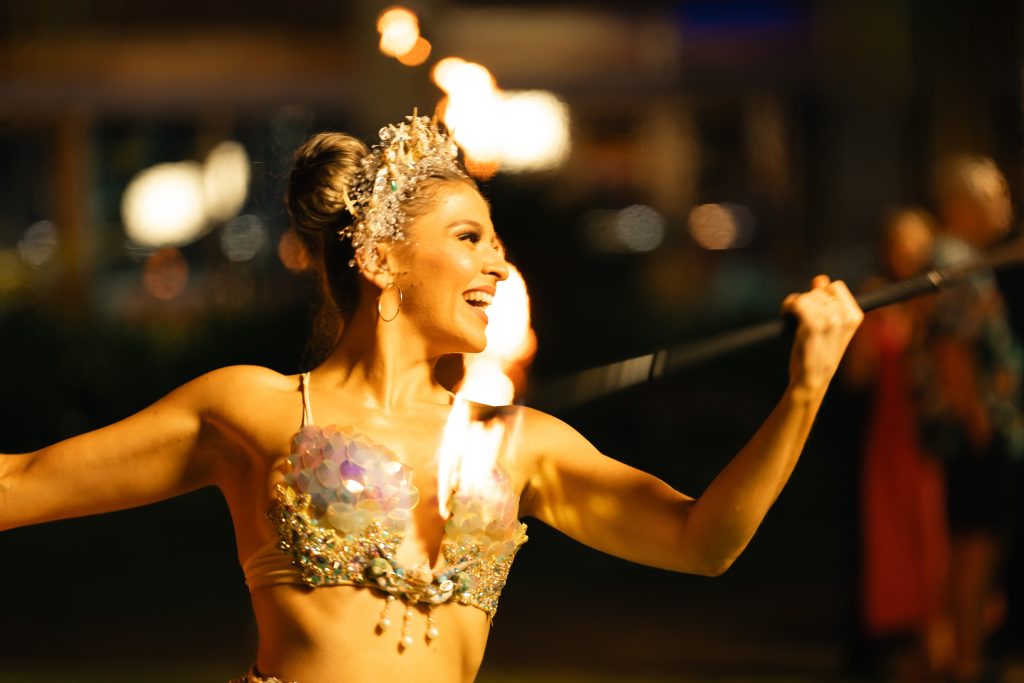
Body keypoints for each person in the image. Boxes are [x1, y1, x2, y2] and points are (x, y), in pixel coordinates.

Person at [0, 115, 863, 683]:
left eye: (498, 242)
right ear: (379, 261)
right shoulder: (255, 410)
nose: (498, 264)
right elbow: (21, 482)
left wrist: (805, 388)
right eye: (469, 237)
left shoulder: (518, 442)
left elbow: (702, 541)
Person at [914, 155, 1024, 683]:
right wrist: (980, 423)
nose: (1005, 205)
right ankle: (968, 660)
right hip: (976, 430)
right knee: (976, 545)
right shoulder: (954, 257)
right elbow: (952, 349)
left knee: (974, 544)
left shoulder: (963, 256)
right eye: (994, 195)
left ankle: (966, 655)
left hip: (977, 426)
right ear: (962, 204)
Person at [845, 208, 952, 682]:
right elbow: (857, 376)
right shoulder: (878, 296)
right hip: (890, 438)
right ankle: (902, 650)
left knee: (938, 537)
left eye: (914, 242)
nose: (905, 252)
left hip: (933, 436)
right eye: (897, 242)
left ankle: (948, 646)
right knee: (893, 540)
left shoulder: (945, 295)